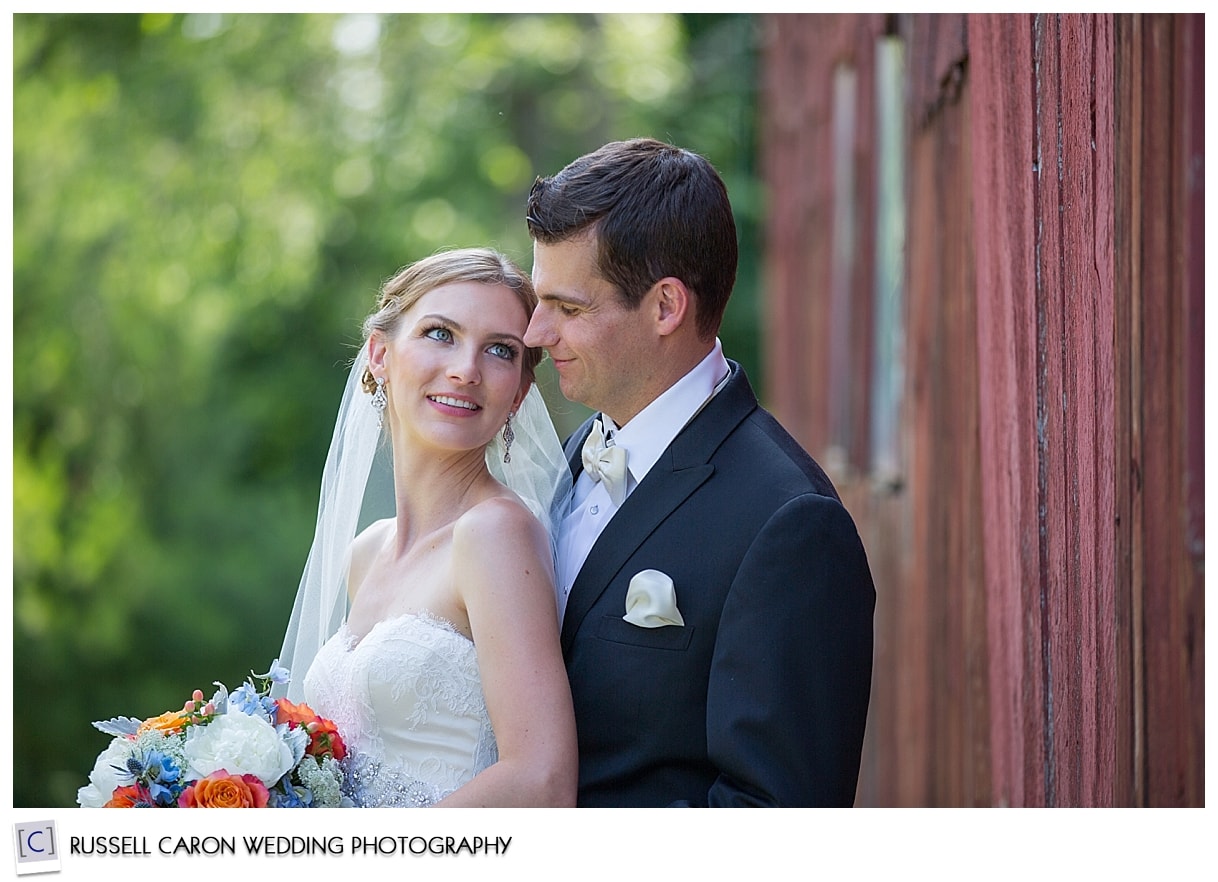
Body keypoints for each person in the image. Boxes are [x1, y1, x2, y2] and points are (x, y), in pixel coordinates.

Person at [523, 138, 876, 807]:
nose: (537, 333)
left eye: (567, 308)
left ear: (664, 307)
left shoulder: (788, 522)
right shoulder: (568, 461)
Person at [278, 247, 577, 807]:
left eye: (499, 351)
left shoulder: (496, 534)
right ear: (380, 355)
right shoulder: (367, 553)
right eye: (441, 333)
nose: (466, 369)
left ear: (518, 393)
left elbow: (541, 780)